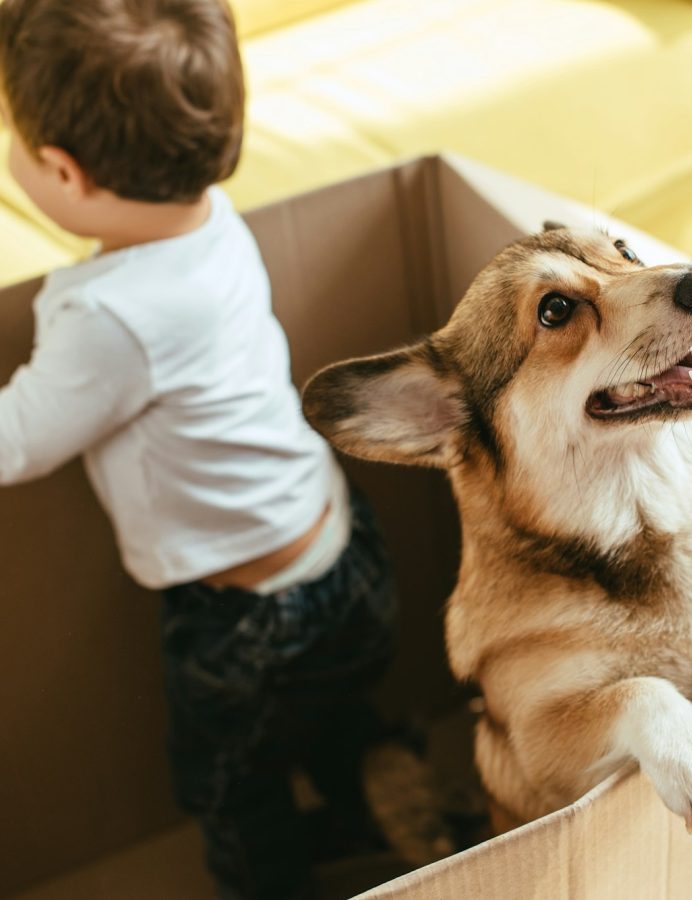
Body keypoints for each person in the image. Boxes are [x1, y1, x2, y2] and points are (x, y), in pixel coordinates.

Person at [0, 1, 396, 897]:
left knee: (227, 785)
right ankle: (369, 773)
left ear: (62, 171)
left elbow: (17, 440)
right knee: (329, 712)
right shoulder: (212, 218)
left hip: (247, 621)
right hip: (343, 548)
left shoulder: (105, 318)